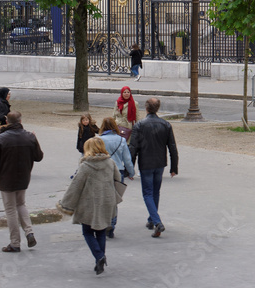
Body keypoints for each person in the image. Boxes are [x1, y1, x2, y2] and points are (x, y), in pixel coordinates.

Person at [58, 137, 122, 275]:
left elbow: (75, 186)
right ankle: (100, 260)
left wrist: (66, 204)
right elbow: (118, 179)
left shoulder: (85, 166)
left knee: (87, 231)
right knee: (101, 231)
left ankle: (99, 256)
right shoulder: (110, 163)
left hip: (88, 204)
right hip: (106, 202)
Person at [0, 111, 44, 253]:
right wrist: (35, 139)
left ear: (7, 121)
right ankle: (29, 232)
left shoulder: (1, 138)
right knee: (21, 204)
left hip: (6, 177)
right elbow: (39, 157)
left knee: (10, 209)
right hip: (23, 176)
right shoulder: (29, 136)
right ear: (20, 121)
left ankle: (15, 242)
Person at [129, 97, 178, 238]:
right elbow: (172, 147)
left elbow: (133, 147)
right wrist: (174, 167)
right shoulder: (166, 125)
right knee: (156, 192)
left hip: (146, 163)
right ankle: (152, 219)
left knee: (147, 193)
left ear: (146, 108)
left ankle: (156, 221)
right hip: (160, 162)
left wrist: (130, 168)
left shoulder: (139, 125)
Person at [99, 117, 135, 238]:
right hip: (118, 171)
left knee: (103, 198)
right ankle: (112, 224)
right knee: (114, 199)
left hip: (103, 171)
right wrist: (131, 172)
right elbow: (127, 159)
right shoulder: (121, 140)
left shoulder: (99, 140)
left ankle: (103, 223)